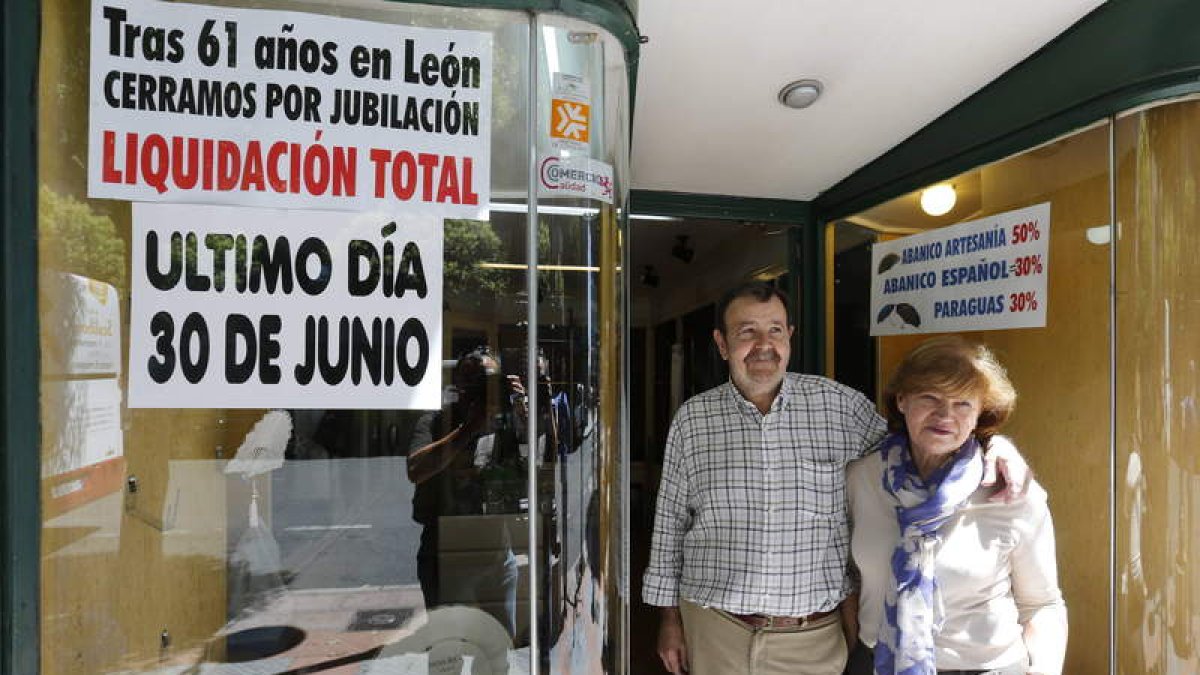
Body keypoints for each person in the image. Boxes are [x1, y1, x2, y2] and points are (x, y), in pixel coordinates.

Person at [642, 282, 1027, 675]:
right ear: (722, 344)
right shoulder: (693, 420)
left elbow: (920, 443)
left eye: (775, 330)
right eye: (746, 332)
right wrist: (668, 620)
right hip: (715, 628)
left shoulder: (841, 407)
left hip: (812, 641)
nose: (763, 344)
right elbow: (670, 526)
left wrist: (991, 445)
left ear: (789, 337)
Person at [845, 336, 1067, 675]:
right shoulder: (862, 479)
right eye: (929, 398)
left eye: (963, 403)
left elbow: (1042, 604)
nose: (945, 415)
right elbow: (846, 580)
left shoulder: (1011, 489)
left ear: (980, 413)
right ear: (902, 400)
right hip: (878, 662)